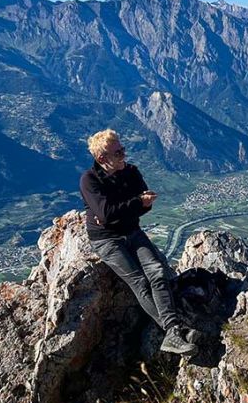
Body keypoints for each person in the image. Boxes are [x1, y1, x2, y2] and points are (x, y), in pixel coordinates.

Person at [80, 129, 198, 356]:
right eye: (118, 152)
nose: (124, 154)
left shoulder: (131, 172)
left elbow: (144, 204)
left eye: (122, 149)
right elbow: (108, 213)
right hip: (106, 240)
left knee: (157, 272)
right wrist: (132, 204)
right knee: (139, 282)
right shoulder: (90, 180)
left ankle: (173, 332)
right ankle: (174, 330)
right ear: (102, 158)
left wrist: (122, 209)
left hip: (132, 231)